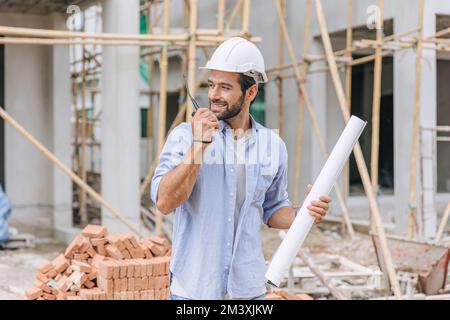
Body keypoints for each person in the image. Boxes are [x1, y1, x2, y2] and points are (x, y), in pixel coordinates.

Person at [151, 37, 331, 300]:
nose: (213, 95)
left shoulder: (273, 145)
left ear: (250, 92)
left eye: (225, 87)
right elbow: (164, 202)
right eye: (212, 85)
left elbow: (272, 210)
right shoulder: (185, 136)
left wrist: (303, 214)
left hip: (248, 290)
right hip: (194, 290)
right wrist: (200, 144)